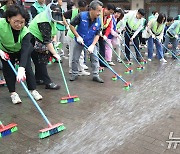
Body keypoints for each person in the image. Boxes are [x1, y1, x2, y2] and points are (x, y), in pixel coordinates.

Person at [0, 5, 42, 104]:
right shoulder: (1, 24)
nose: (19, 25)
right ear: (9, 18)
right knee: (8, 71)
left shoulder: (26, 32)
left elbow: (25, 51)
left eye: (22, 22)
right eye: (16, 21)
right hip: (5, 51)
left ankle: (33, 90)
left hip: (20, 51)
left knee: (28, 68)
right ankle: (13, 93)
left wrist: (21, 68)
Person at [69, 0, 104, 83]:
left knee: (95, 58)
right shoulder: (81, 16)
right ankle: (74, 73)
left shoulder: (98, 20)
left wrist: (92, 45)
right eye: (98, 11)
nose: (99, 13)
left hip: (91, 41)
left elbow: (97, 34)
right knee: (75, 58)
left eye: (100, 11)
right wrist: (77, 36)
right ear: (91, 9)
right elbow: (71, 25)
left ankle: (96, 75)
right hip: (79, 41)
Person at [29, 2, 61, 90]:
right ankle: (48, 82)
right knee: (41, 60)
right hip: (33, 39)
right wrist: (55, 53)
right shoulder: (44, 21)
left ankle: (38, 78)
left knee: (42, 58)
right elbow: (46, 41)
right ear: (50, 12)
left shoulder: (50, 16)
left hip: (40, 38)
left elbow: (53, 29)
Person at [64, 0, 90, 75]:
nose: (82, 10)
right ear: (78, 6)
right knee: (72, 53)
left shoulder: (87, 13)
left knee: (81, 53)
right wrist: (67, 25)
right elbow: (63, 15)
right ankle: (72, 69)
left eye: (83, 8)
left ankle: (80, 69)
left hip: (80, 35)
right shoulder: (73, 11)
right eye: (81, 8)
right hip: (72, 35)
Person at [98, 3, 115, 69]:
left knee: (102, 47)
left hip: (102, 33)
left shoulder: (110, 16)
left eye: (112, 13)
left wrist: (105, 35)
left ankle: (102, 62)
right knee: (95, 48)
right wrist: (98, 31)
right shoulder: (99, 12)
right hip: (95, 31)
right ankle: (96, 63)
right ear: (106, 9)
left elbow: (109, 26)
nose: (110, 14)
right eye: (110, 12)